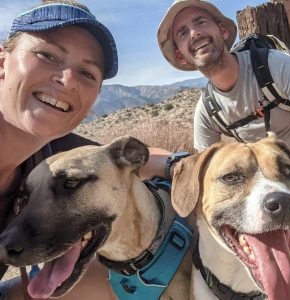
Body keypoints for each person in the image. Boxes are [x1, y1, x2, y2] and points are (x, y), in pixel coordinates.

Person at [0, 0, 173, 299]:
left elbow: (126, 158)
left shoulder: (55, 151)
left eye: (87, 73)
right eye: (47, 55)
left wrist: (189, 166)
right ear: (2, 62)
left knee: (122, 274)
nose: (67, 81)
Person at [157, 0, 290, 156]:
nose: (194, 33)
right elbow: (207, 169)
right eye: (183, 33)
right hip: (265, 177)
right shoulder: (207, 111)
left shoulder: (276, 65)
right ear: (181, 56)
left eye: (201, 22)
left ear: (222, 30)